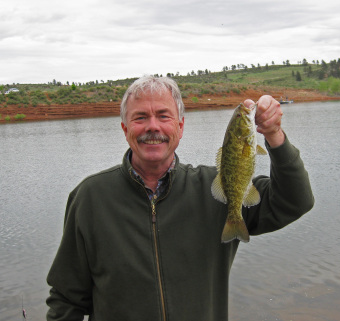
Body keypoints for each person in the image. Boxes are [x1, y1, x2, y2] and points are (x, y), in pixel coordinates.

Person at [46, 75, 314, 321]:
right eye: (140, 118)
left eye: (164, 116)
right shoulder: (91, 198)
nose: (153, 127)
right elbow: (66, 300)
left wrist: (275, 136)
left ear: (180, 126)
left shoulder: (217, 188)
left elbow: (294, 201)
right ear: (124, 128)